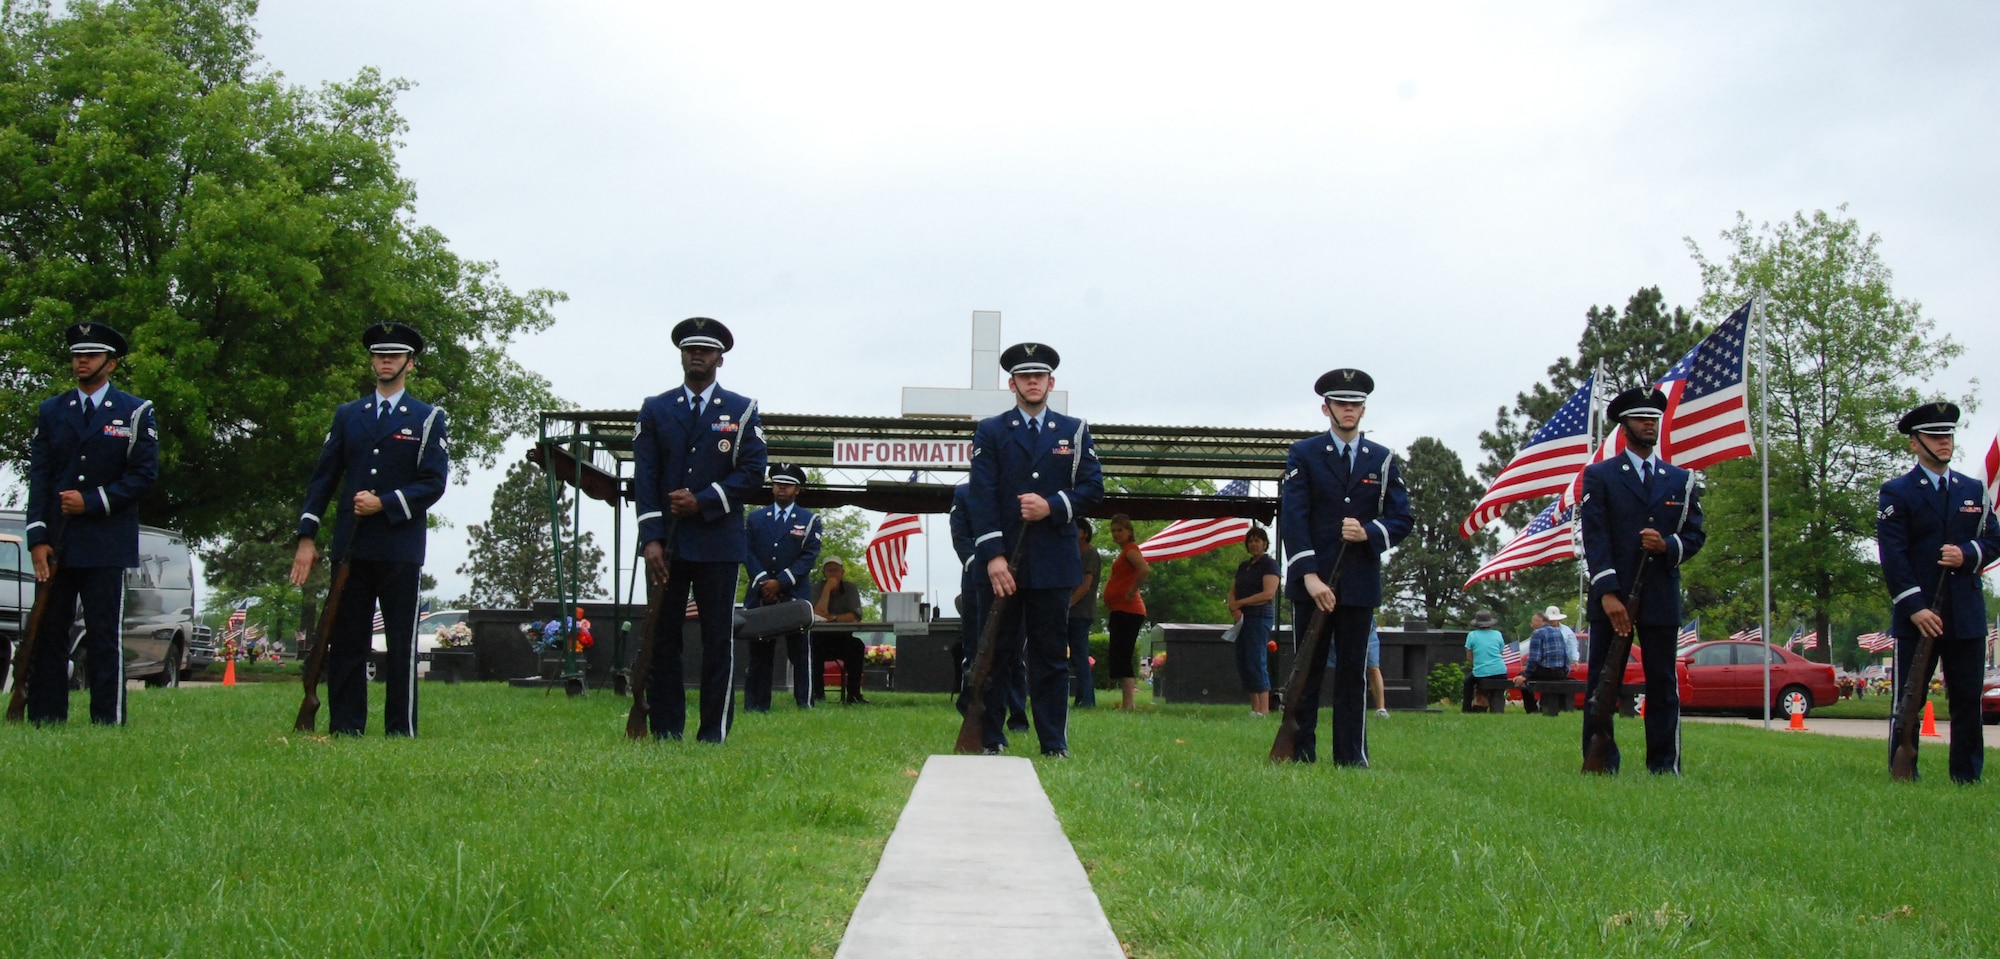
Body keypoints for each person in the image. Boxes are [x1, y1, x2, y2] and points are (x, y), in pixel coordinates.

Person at [289, 321, 449, 737]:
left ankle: (401, 730)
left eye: (394, 356)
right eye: (379, 355)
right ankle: (346, 728)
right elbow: (322, 480)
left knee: (399, 646)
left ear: (409, 364)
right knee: (347, 643)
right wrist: (307, 537)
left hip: (400, 546)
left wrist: (386, 502)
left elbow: (433, 483)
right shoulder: (348, 415)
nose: (385, 361)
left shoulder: (428, 418)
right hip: (352, 547)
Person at [631, 317, 767, 743]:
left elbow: (752, 473)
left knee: (717, 642)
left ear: (719, 359)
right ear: (681, 355)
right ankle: (666, 730)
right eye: (690, 349)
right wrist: (650, 537)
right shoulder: (656, 407)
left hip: (719, 542)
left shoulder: (742, 410)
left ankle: (713, 733)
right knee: (663, 637)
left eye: (705, 350)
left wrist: (704, 499)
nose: (697, 355)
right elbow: (645, 476)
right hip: (667, 545)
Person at [967, 341, 1104, 757]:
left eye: (1039, 376)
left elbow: (1093, 490)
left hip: (1053, 561)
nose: (1032, 382)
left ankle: (1052, 742)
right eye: (1025, 376)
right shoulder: (991, 430)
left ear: (1051, 382)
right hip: (1003, 562)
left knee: (1050, 656)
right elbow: (981, 495)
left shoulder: (1073, 430)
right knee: (997, 651)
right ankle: (990, 737)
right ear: (1012, 384)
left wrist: (1053, 506)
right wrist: (993, 557)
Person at [21, 322, 160, 725]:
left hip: (106, 540)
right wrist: (37, 537)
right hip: (59, 541)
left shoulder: (135, 411)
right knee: (50, 631)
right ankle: (45, 717)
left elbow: (143, 476)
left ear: (110, 363)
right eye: (77, 355)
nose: (81, 361)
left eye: (91, 355)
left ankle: (107, 719)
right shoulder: (52, 411)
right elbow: (40, 478)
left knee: (103, 636)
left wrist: (94, 502)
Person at [1277, 368, 1413, 765]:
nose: (1348, 410)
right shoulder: (1304, 454)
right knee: (1308, 671)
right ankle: (1300, 753)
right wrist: (1310, 576)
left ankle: (1352, 757)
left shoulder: (1382, 459)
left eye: (1355, 404)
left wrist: (1369, 532)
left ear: (1363, 410)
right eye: (1341, 403)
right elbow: (1294, 517)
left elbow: (1402, 519)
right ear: (1326, 408)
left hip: (1358, 582)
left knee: (1354, 673)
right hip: (1312, 582)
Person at [1579, 386, 1705, 774]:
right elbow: (1594, 535)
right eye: (1641, 419)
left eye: (1653, 419)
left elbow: (1695, 534)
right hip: (1613, 597)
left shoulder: (1680, 480)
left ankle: (1665, 765)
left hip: (1660, 596)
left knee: (1664, 683)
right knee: (1605, 681)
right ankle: (1601, 760)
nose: (1649, 425)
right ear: (1624, 425)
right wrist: (1608, 593)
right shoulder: (1600, 476)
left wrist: (1668, 545)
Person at [1875, 401, 1999, 783]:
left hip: (1965, 611)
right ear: (1915, 444)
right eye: (1934, 436)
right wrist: (1914, 607)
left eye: (1947, 435)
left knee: (1966, 700)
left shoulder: (1973, 490)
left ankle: (1966, 776)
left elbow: (1994, 539)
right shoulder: (1897, 492)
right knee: (1909, 701)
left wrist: (1967, 553)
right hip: (1919, 614)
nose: (1944, 443)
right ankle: (1903, 770)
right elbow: (1892, 555)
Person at [741, 462, 820, 712]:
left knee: (799, 653)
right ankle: (756, 704)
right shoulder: (754, 518)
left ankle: (803, 702)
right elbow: (747, 551)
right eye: (777, 484)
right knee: (760, 654)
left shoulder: (810, 520)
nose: (781, 489)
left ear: (797, 490)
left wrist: (782, 582)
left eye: (787, 485)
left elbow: (809, 556)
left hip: (794, 594)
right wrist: (764, 580)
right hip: (760, 592)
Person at [1227, 526, 1280, 716]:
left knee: (1257, 660)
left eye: (1257, 540)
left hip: (1259, 617)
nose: (1254, 544)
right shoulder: (1244, 566)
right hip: (1242, 618)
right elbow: (1232, 591)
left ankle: (1264, 709)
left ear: (1264, 543)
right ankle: (1254, 707)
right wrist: (1234, 607)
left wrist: (1240, 603)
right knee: (1244, 660)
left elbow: (1268, 594)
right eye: (1250, 541)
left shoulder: (1269, 564)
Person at [1101, 514, 1151, 712]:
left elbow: (1144, 570)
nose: (1116, 534)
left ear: (1129, 531)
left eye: (1120, 530)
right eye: (1113, 530)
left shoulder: (1131, 550)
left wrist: (1131, 591)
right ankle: (1127, 702)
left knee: (1123, 654)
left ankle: (1129, 704)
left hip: (1129, 610)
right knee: (1119, 655)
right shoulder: (1123, 553)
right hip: (1120, 610)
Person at [812, 559, 868, 703]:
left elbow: (855, 616)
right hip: (820, 638)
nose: (833, 574)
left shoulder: (850, 588)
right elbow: (817, 614)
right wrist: (827, 590)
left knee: (857, 646)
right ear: (824, 573)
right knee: (812, 649)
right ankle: (817, 694)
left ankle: (854, 694)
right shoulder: (816, 588)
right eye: (829, 570)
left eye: (836, 570)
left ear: (842, 572)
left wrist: (833, 618)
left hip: (843, 638)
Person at [1514, 609, 1573, 714]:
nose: (1531, 624)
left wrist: (1525, 675)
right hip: (1560, 672)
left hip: (1547, 671)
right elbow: (1565, 655)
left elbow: (1534, 659)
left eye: (1533, 621)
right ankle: (1547, 706)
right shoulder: (1558, 631)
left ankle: (1531, 709)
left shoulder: (1538, 633)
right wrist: (1565, 671)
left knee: (1521, 678)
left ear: (1539, 621)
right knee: (1530, 674)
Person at [1069, 519, 1101, 708]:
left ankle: (1087, 700)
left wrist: (1068, 604)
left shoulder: (1089, 553)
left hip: (1080, 612)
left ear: (1084, 533)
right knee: (1075, 657)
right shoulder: (1072, 553)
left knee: (1080, 656)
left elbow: (1085, 584)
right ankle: (1081, 698)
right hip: (1072, 612)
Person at [1462, 610, 1508, 711]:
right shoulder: (1497, 634)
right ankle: (1497, 708)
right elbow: (1501, 652)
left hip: (1481, 672)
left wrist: (1478, 664)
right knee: (1498, 689)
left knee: (1467, 683)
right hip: (1500, 671)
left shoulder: (1472, 635)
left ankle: (1466, 708)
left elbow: (1469, 657)